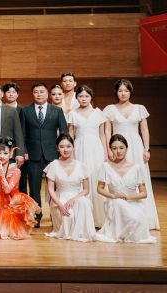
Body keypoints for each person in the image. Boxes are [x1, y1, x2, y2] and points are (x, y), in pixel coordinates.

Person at [102, 79, 159, 230]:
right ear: (116, 92)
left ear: (130, 92)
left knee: (140, 178)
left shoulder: (139, 108)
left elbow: (144, 130)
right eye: (120, 90)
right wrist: (108, 149)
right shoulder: (109, 109)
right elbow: (107, 130)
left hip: (135, 146)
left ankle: (143, 219)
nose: (123, 93)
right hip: (117, 146)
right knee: (118, 179)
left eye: (126, 91)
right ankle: (120, 218)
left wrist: (147, 149)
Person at [20, 82, 68, 226]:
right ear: (32, 94)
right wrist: (24, 151)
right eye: (36, 92)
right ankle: (37, 217)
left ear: (47, 94)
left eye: (42, 91)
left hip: (52, 155)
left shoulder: (57, 111)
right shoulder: (25, 111)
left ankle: (56, 216)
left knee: (55, 188)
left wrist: (62, 152)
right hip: (32, 155)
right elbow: (22, 134)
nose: (39, 94)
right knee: (34, 189)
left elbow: (64, 132)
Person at [96, 134, 156, 243]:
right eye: (114, 148)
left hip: (133, 204)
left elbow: (144, 193)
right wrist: (114, 196)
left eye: (121, 148)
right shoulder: (106, 167)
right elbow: (99, 189)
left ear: (126, 148)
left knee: (136, 220)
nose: (118, 151)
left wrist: (127, 197)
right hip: (114, 204)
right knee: (118, 203)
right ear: (110, 150)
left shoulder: (136, 168)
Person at [0, 136, 39, 240]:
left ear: (11, 154)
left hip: (13, 202)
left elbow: (7, 190)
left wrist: (1, 173)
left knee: (4, 223)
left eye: (5, 153)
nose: (2, 156)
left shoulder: (16, 171)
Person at [67, 84, 108, 228]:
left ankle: (98, 218)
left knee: (96, 178)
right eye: (80, 96)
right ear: (77, 98)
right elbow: (71, 135)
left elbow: (102, 135)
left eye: (86, 96)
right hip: (79, 148)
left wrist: (105, 152)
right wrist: (70, 153)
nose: (83, 99)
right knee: (81, 179)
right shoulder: (73, 113)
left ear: (91, 97)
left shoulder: (99, 113)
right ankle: (82, 219)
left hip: (96, 148)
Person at [43, 134, 95, 242]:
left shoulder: (82, 166)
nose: (65, 149)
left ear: (73, 147)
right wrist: (60, 205)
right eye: (61, 147)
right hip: (59, 199)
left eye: (68, 146)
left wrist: (74, 199)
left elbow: (86, 190)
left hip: (76, 197)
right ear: (57, 148)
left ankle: (82, 232)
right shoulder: (53, 165)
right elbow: (50, 189)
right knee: (68, 216)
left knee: (84, 202)